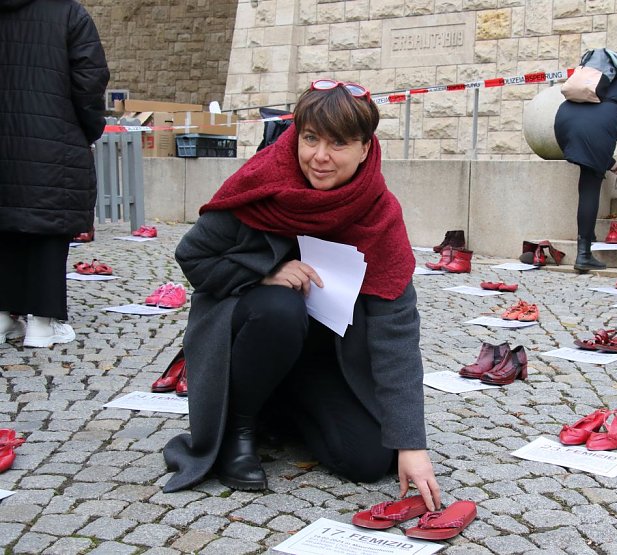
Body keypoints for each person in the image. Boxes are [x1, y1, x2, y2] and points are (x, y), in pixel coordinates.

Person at [163, 80, 442, 512]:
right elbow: (193, 257)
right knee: (280, 306)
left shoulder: (379, 214)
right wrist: (264, 273)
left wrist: (412, 444)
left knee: (368, 461)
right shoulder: (261, 184)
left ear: (365, 148)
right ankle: (239, 429)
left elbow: (396, 333)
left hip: (322, 360)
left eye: (338, 143)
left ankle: (280, 405)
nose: (320, 156)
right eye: (310, 139)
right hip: (254, 330)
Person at [0, 0, 109, 347]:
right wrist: (89, 127)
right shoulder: (67, 13)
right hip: (52, 140)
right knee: (48, 227)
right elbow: (89, 80)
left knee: (5, 224)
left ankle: (4, 317)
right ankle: (42, 324)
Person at [554, 50, 617, 272]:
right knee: (590, 184)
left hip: (562, 127)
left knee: (589, 169)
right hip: (593, 134)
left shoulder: (585, 85)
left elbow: (589, 131)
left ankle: (589, 236)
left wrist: (614, 166)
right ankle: (584, 254)